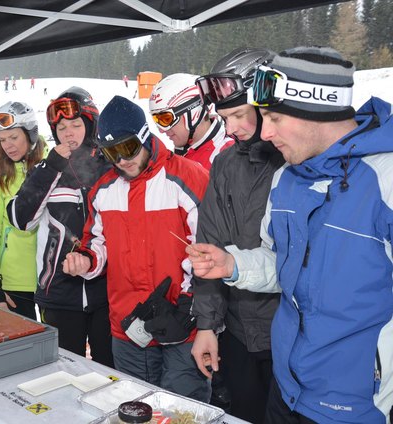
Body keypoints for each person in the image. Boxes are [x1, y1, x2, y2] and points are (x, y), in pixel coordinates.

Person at [188, 46, 393, 424]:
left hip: (356, 405)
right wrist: (233, 265)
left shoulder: (384, 181)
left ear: (315, 109)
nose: (263, 131)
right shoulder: (288, 178)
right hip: (288, 388)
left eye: (274, 117)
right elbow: (280, 262)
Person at [63, 95, 210, 402]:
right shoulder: (104, 189)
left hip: (182, 324)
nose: (122, 160)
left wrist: (189, 303)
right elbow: (96, 242)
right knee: (135, 408)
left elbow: (208, 249)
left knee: (180, 409)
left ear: (144, 136)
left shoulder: (186, 177)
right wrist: (86, 261)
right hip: (128, 326)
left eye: (127, 148)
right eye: (111, 153)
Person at [190, 47, 284, 423]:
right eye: (224, 118)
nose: (229, 129)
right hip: (240, 334)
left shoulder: (300, 160)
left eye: (238, 115)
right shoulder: (226, 163)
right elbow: (209, 249)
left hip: (289, 337)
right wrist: (207, 326)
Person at [6, 87, 114, 366]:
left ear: (91, 125)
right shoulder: (45, 170)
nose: (69, 133)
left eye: (76, 125)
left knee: (109, 370)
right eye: (62, 127)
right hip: (58, 295)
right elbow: (20, 220)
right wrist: (52, 166)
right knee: (64, 371)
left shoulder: (111, 168)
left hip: (107, 294)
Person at [0, 101, 45, 319]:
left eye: (13, 137)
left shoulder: (53, 166)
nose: (8, 145)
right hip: (14, 284)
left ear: (30, 134)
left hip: (54, 281)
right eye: (2, 140)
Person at [149, 77, 233, 170]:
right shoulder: (184, 150)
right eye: (157, 120)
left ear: (193, 114)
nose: (161, 130)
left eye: (166, 119)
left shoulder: (226, 159)